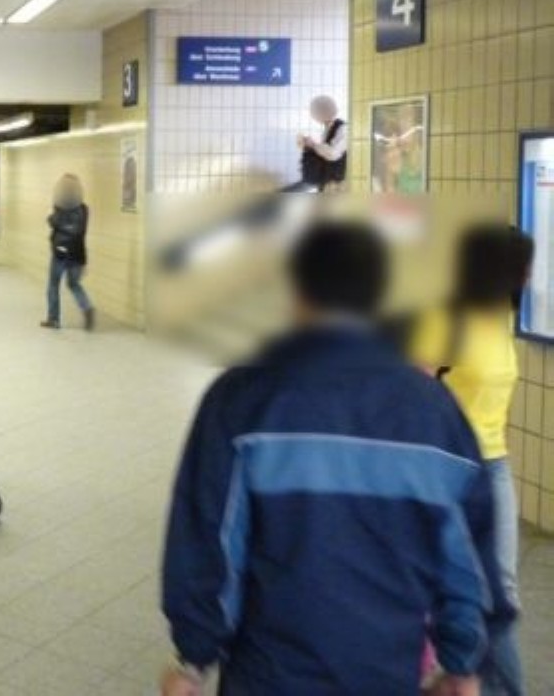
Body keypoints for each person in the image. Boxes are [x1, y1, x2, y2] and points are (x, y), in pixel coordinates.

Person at [160, 221, 510, 696]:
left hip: (267, 678)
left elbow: (210, 542)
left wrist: (193, 658)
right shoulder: (435, 413)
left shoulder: (242, 400)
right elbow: (466, 562)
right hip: (387, 675)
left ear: (295, 292)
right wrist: (462, 664)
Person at [411, 224, 534, 696]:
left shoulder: (502, 315)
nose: (527, 276)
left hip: (494, 465)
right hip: (449, 468)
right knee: (463, 592)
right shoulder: (448, 317)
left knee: (500, 592)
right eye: (521, 266)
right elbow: (414, 389)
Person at [41, 174, 95, 331]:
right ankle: (87, 307)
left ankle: (53, 319)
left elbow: (51, 221)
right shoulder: (84, 210)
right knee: (74, 284)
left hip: (60, 254)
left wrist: (55, 211)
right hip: (78, 254)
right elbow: (80, 231)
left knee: (53, 285)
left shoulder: (59, 211)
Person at [287, 94, 347, 192]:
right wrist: (308, 146)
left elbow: (333, 154)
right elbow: (325, 153)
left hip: (337, 183)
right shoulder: (328, 129)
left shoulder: (343, 128)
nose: (314, 116)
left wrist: (314, 145)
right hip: (327, 180)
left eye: (315, 112)